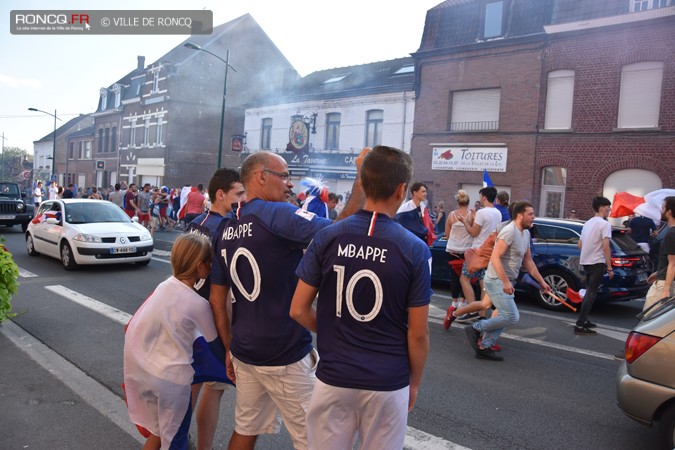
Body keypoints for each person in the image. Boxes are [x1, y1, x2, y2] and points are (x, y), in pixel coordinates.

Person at [209, 149, 366, 450]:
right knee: (319, 439)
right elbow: (339, 231)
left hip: (245, 350)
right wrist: (361, 175)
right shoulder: (276, 213)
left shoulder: (225, 227)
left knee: (245, 427)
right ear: (261, 177)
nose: (290, 184)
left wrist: (230, 348)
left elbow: (218, 299)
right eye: (284, 176)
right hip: (284, 353)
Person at [290, 145, 431, 450]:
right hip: (387, 382)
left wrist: (332, 328)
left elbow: (298, 310)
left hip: (333, 377)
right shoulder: (415, 249)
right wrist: (415, 384)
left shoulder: (327, 236)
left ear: (363, 184)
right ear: (402, 189)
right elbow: (418, 335)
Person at [123, 233, 233, 450]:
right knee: (175, 438)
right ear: (200, 266)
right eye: (209, 262)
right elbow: (214, 346)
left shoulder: (163, 287)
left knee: (158, 433)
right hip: (172, 382)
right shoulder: (197, 303)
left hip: (144, 373)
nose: (211, 266)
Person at [182, 169, 245, 450]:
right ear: (221, 195)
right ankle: (199, 445)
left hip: (188, 313)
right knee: (212, 386)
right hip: (210, 318)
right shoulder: (225, 228)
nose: (243, 199)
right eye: (238, 194)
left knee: (193, 384)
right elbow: (226, 287)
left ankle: (180, 438)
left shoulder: (196, 222)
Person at [466, 201, 551, 361]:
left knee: (506, 315)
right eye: (530, 214)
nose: (534, 217)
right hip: (496, 279)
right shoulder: (509, 232)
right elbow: (495, 258)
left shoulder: (525, 233)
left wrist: (542, 282)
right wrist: (505, 282)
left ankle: (484, 346)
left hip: (507, 280)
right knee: (512, 316)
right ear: (520, 216)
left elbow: (528, 262)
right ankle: (476, 328)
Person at [456, 187, 502, 320]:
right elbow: (488, 228)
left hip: (477, 251)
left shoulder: (482, 212)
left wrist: (464, 222)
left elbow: (473, 232)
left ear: (484, 197)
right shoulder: (497, 213)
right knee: (483, 282)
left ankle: (472, 309)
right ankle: (481, 314)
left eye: (481, 196)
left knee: (464, 278)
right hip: (490, 252)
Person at [576, 196, 614, 335]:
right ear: (602, 207)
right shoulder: (605, 224)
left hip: (586, 262)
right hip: (597, 262)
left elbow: (579, 245)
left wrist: (588, 252)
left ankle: (584, 320)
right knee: (591, 294)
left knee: (589, 292)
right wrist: (609, 268)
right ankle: (580, 324)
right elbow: (606, 247)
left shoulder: (588, 223)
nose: (610, 209)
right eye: (609, 207)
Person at [444, 190, 475, 311]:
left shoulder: (451, 215)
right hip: (467, 251)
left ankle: (454, 301)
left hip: (453, 250)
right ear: (468, 202)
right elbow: (474, 233)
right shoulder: (471, 215)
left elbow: (447, 234)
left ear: (458, 202)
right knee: (466, 277)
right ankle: (463, 300)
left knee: (454, 277)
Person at [643, 196, 675, 312]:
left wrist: (665, 290)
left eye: (663, 208)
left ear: (669, 212)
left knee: (648, 321)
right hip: (664, 279)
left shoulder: (671, 234)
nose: (661, 211)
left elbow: (673, 264)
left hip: (664, 284)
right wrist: (657, 272)